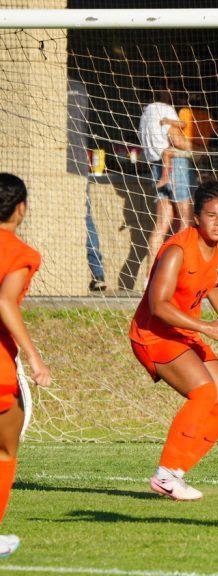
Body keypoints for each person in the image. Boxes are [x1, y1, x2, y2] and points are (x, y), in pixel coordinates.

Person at [129, 180, 218, 501]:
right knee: (204, 392)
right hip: (153, 334)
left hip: (184, 334)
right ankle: (166, 473)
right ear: (196, 217)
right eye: (212, 216)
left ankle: (175, 473)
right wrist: (205, 326)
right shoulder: (176, 251)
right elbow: (158, 306)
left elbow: (213, 283)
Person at [0, 173, 52, 557]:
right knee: (5, 446)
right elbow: (5, 302)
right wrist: (34, 357)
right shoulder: (20, 253)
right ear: (21, 208)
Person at [138, 84, 197, 281]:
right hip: (177, 166)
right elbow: (177, 140)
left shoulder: (145, 114)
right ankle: (178, 275)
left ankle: (150, 278)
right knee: (187, 223)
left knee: (162, 224)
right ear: (164, 91)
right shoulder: (165, 110)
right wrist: (198, 148)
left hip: (156, 167)